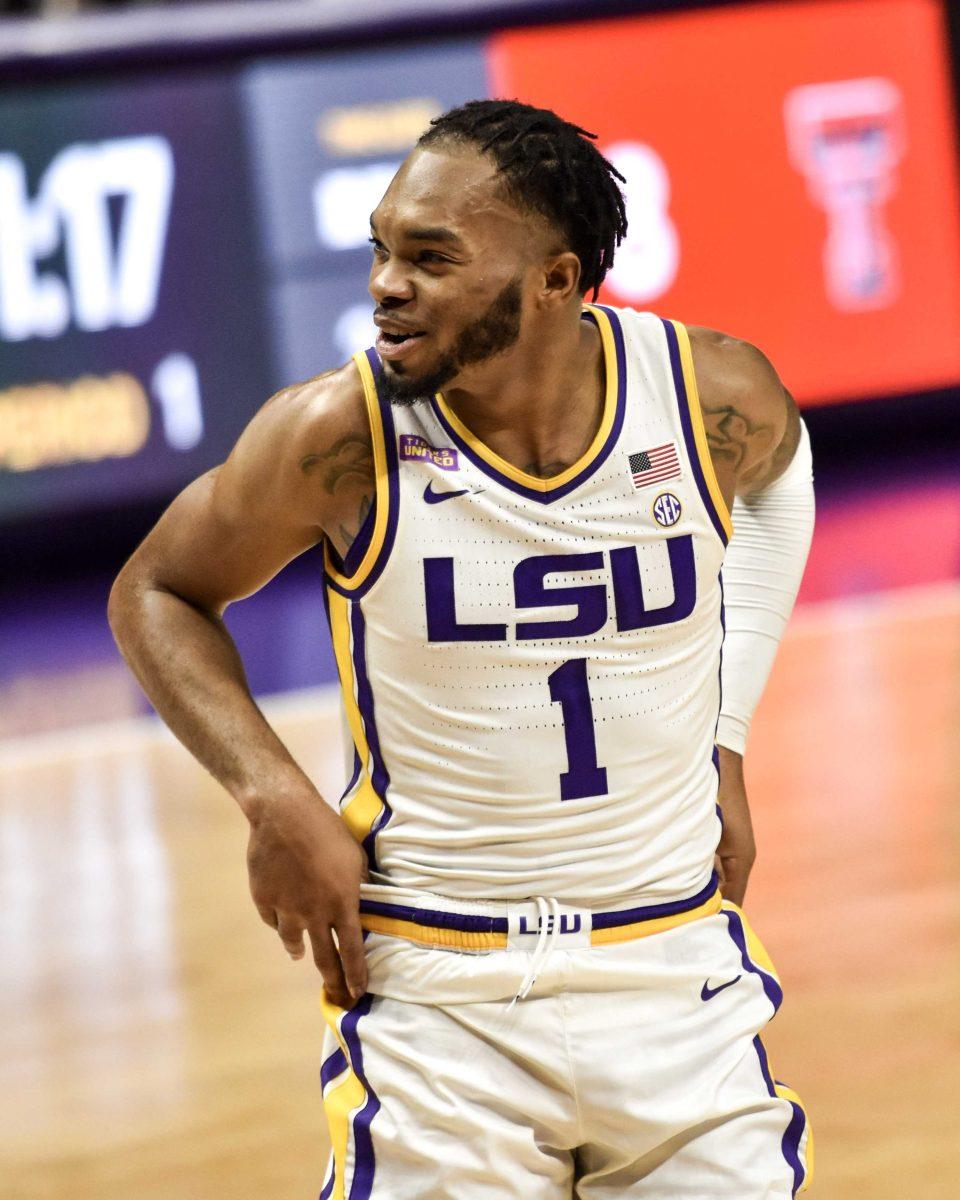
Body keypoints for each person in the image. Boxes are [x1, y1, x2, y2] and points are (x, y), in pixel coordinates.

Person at [109, 99, 815, 1199]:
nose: (389, 284)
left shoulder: (706, 393)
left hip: (676, 968)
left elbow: (785, 477)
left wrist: (726, 734)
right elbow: (156, 590)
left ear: (558, 282)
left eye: (432, 259)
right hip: (443, 994)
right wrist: (274, 798)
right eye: (383, 249)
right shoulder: (336, 438)